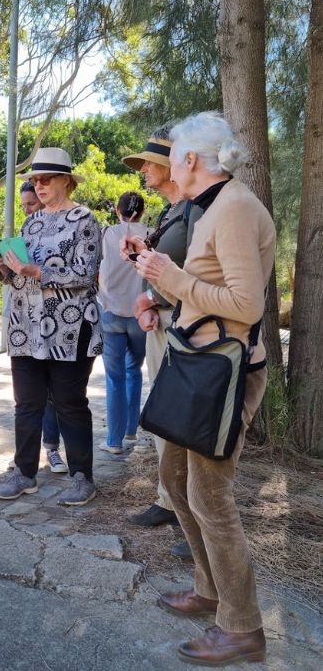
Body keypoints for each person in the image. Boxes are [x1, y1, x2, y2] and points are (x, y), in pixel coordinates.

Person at [130, 112, 274, 665]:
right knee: (175, 477)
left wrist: (173, 279)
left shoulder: (234, 208)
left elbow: (246, 305)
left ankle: (242, 627)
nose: (167, 167)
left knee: (210, 494)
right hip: (200, 364)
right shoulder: (214, 205)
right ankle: (209, 589)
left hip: (225, 373)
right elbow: (210, 289)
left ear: (190, 161)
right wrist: (167, 284)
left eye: (173, 158)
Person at [0, 147, 103, 506]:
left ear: (66, 180)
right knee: (27, 404)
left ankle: (82, 476)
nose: (39, 185)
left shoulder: (85, 219)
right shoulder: (31, 223)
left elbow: (86, 274)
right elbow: (19, 279)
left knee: (69, 403)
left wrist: (39, 272)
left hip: (69, 330)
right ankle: (25, 473)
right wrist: (3, 269)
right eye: (35, 179)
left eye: (46, 179)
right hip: (26, 327)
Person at [121, 127, 204, 561]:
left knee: (183, 420)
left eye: (148, 164)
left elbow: (197, 268)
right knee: (163, 417)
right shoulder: (171, 211)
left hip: (185, 325)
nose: (143, 173)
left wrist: (151, 297)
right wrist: (138, 262)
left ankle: (193, 512)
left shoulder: (194, 208)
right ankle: (169, 500)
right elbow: (162, 267)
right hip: (161, 322)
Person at [4, 180, 67, 474]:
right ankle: (25, 457)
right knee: (27, 399)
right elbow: (13, 280)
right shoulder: (25, 233)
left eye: (32, 204)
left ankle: (52, 448)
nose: (28, 211)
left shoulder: (65, 228)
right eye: (24, 206)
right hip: (25, 321)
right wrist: (1, 267)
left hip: (56, 322)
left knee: (54, 395)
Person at [97, 191, 148, 455]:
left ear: (117, 210)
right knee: (134, 370)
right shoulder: (151, 235)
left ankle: (114, 441)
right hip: (141, 314)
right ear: (143, 211)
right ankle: (131, 430)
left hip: (110, 312)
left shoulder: (106, 234)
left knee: (114, 378)